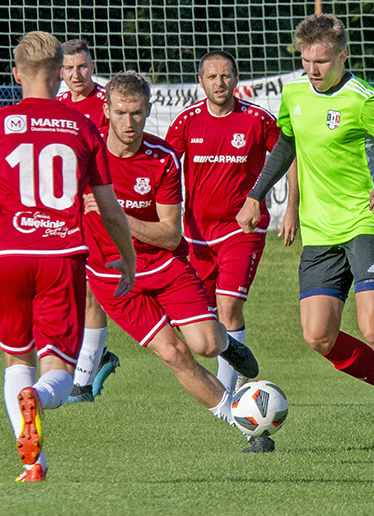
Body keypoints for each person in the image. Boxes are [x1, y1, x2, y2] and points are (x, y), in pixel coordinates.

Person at [237, 14, 374, 464]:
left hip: (367, 223)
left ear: (342, 55)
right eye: (307, 60)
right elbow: (286, 145)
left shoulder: (364, 100)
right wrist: (258, 195)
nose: (313, 69)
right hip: (319, 230)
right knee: (318, 337)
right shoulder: (293, 94)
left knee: (373, 328)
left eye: (323, 60)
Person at [0, 31, 137, 481]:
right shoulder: (85, 128)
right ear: (58, 76)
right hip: (60, 253)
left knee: (16, 359)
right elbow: (108, 207)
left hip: (7, 254)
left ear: (16, 74)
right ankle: (40, 397)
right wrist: (126, 258)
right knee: (59, 372)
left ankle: (34, 463)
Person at [83, 70, 269, 453]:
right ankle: (246, 427)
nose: (128, 122)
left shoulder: (163, 158)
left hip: (165, 268)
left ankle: (224, 343)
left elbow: (170, 234)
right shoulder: (86, 154)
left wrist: (115, 215)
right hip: (113, 279)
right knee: (175, 354)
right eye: (120, 112)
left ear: (149, 110)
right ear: (107, 111)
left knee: (204, 344)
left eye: (137, 113)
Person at [165, 51, 297, 395]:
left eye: (225, 76)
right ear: (201, 82)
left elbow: (289, 154)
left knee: (229, 305)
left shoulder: (257, 119)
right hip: (196, 234)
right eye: (212, 77)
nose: (219, 83)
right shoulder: (186, 121)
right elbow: (162, 165)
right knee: (201, 322)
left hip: (243, 230)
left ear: (236, 80)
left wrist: (293, 205)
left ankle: (226, 391)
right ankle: (230, 362)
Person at [57, 39, 118, 402]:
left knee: (94, 294)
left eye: (82, 66)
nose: (75, 74)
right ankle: (96, 360)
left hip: (98, 210)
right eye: (68, 68)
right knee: (69, 293)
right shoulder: (57, 106)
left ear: (92, 66)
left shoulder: (108, 105)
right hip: (63, 212)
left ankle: (82, 383)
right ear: (59, 72)